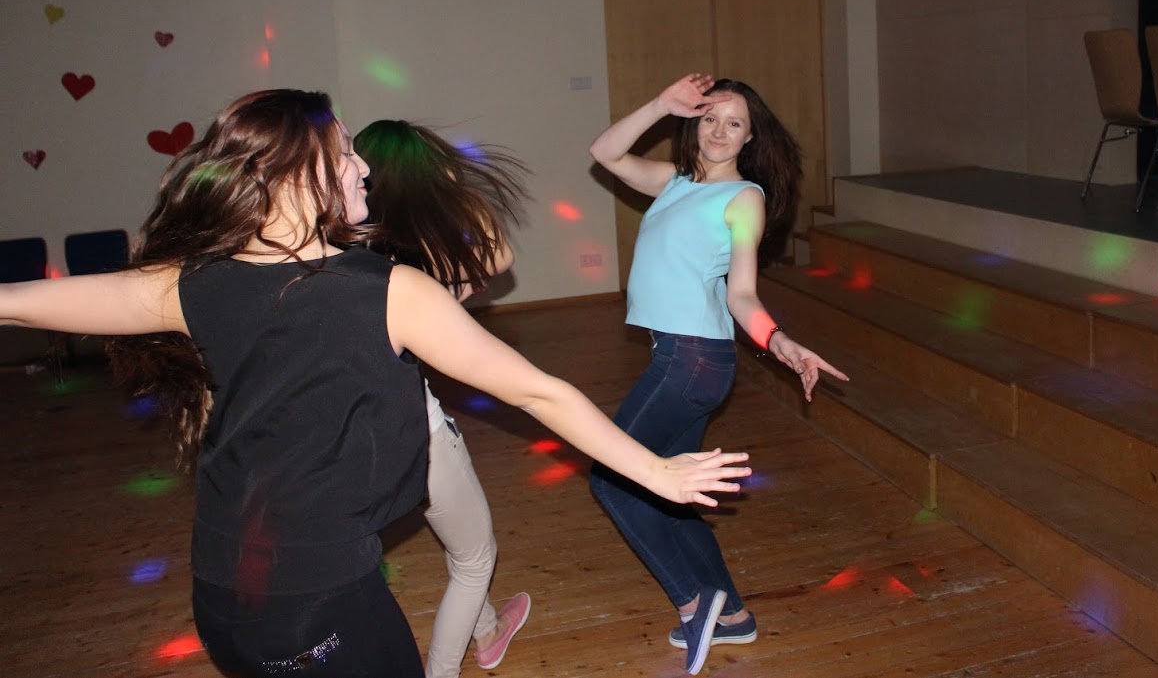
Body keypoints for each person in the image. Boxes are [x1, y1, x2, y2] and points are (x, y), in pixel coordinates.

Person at [0, 89, 751, 678]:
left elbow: (25, 301)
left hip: (220, 597)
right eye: (343, 154)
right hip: (319, 606)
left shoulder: (192, 283)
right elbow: (537, 391)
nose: (362, 167)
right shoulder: (390, 292)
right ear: (292, 177)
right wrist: (656, 471)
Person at [587, 73, 848, 675]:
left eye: (735, 124)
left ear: (750, 137)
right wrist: (660, 103)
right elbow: (604, 152)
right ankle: (732, 615)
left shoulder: (744, 198)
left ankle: (693, 601)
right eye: (710, 118)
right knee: (671, 495)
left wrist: (780, 342)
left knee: (610, 477)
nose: (720, 132)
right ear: (694, 123)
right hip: (679, 357)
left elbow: (743, 294)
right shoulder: (674, 181)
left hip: (692, 360)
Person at [353, 119, 532, 676]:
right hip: (413, 428)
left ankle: (488, 628)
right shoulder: (421, 257)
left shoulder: (349, 249)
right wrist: (455, 191)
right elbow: (498, 257)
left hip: (348, 436)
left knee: (457, 534)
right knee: (475, 559)